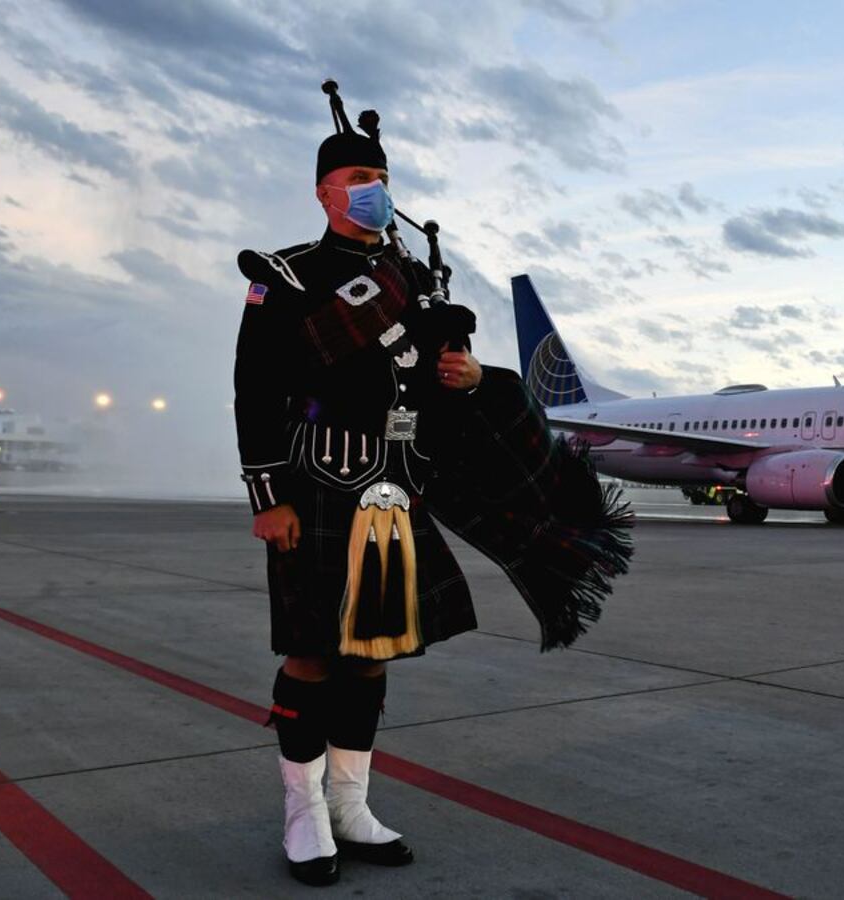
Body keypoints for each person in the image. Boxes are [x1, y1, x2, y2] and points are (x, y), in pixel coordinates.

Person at [234, 84, 631, 887]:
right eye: (355, 180)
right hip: (314, 483)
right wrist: (266, 497)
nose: (371, 192)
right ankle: (303, 815)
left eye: (379, 179)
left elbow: (426, 380)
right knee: (312, 655)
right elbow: (254, 388)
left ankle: (350, 805)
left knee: (373, 655)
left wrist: (469, 374)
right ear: (324, 192)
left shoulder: (410, 274)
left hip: (393, 485)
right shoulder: (284, 274)